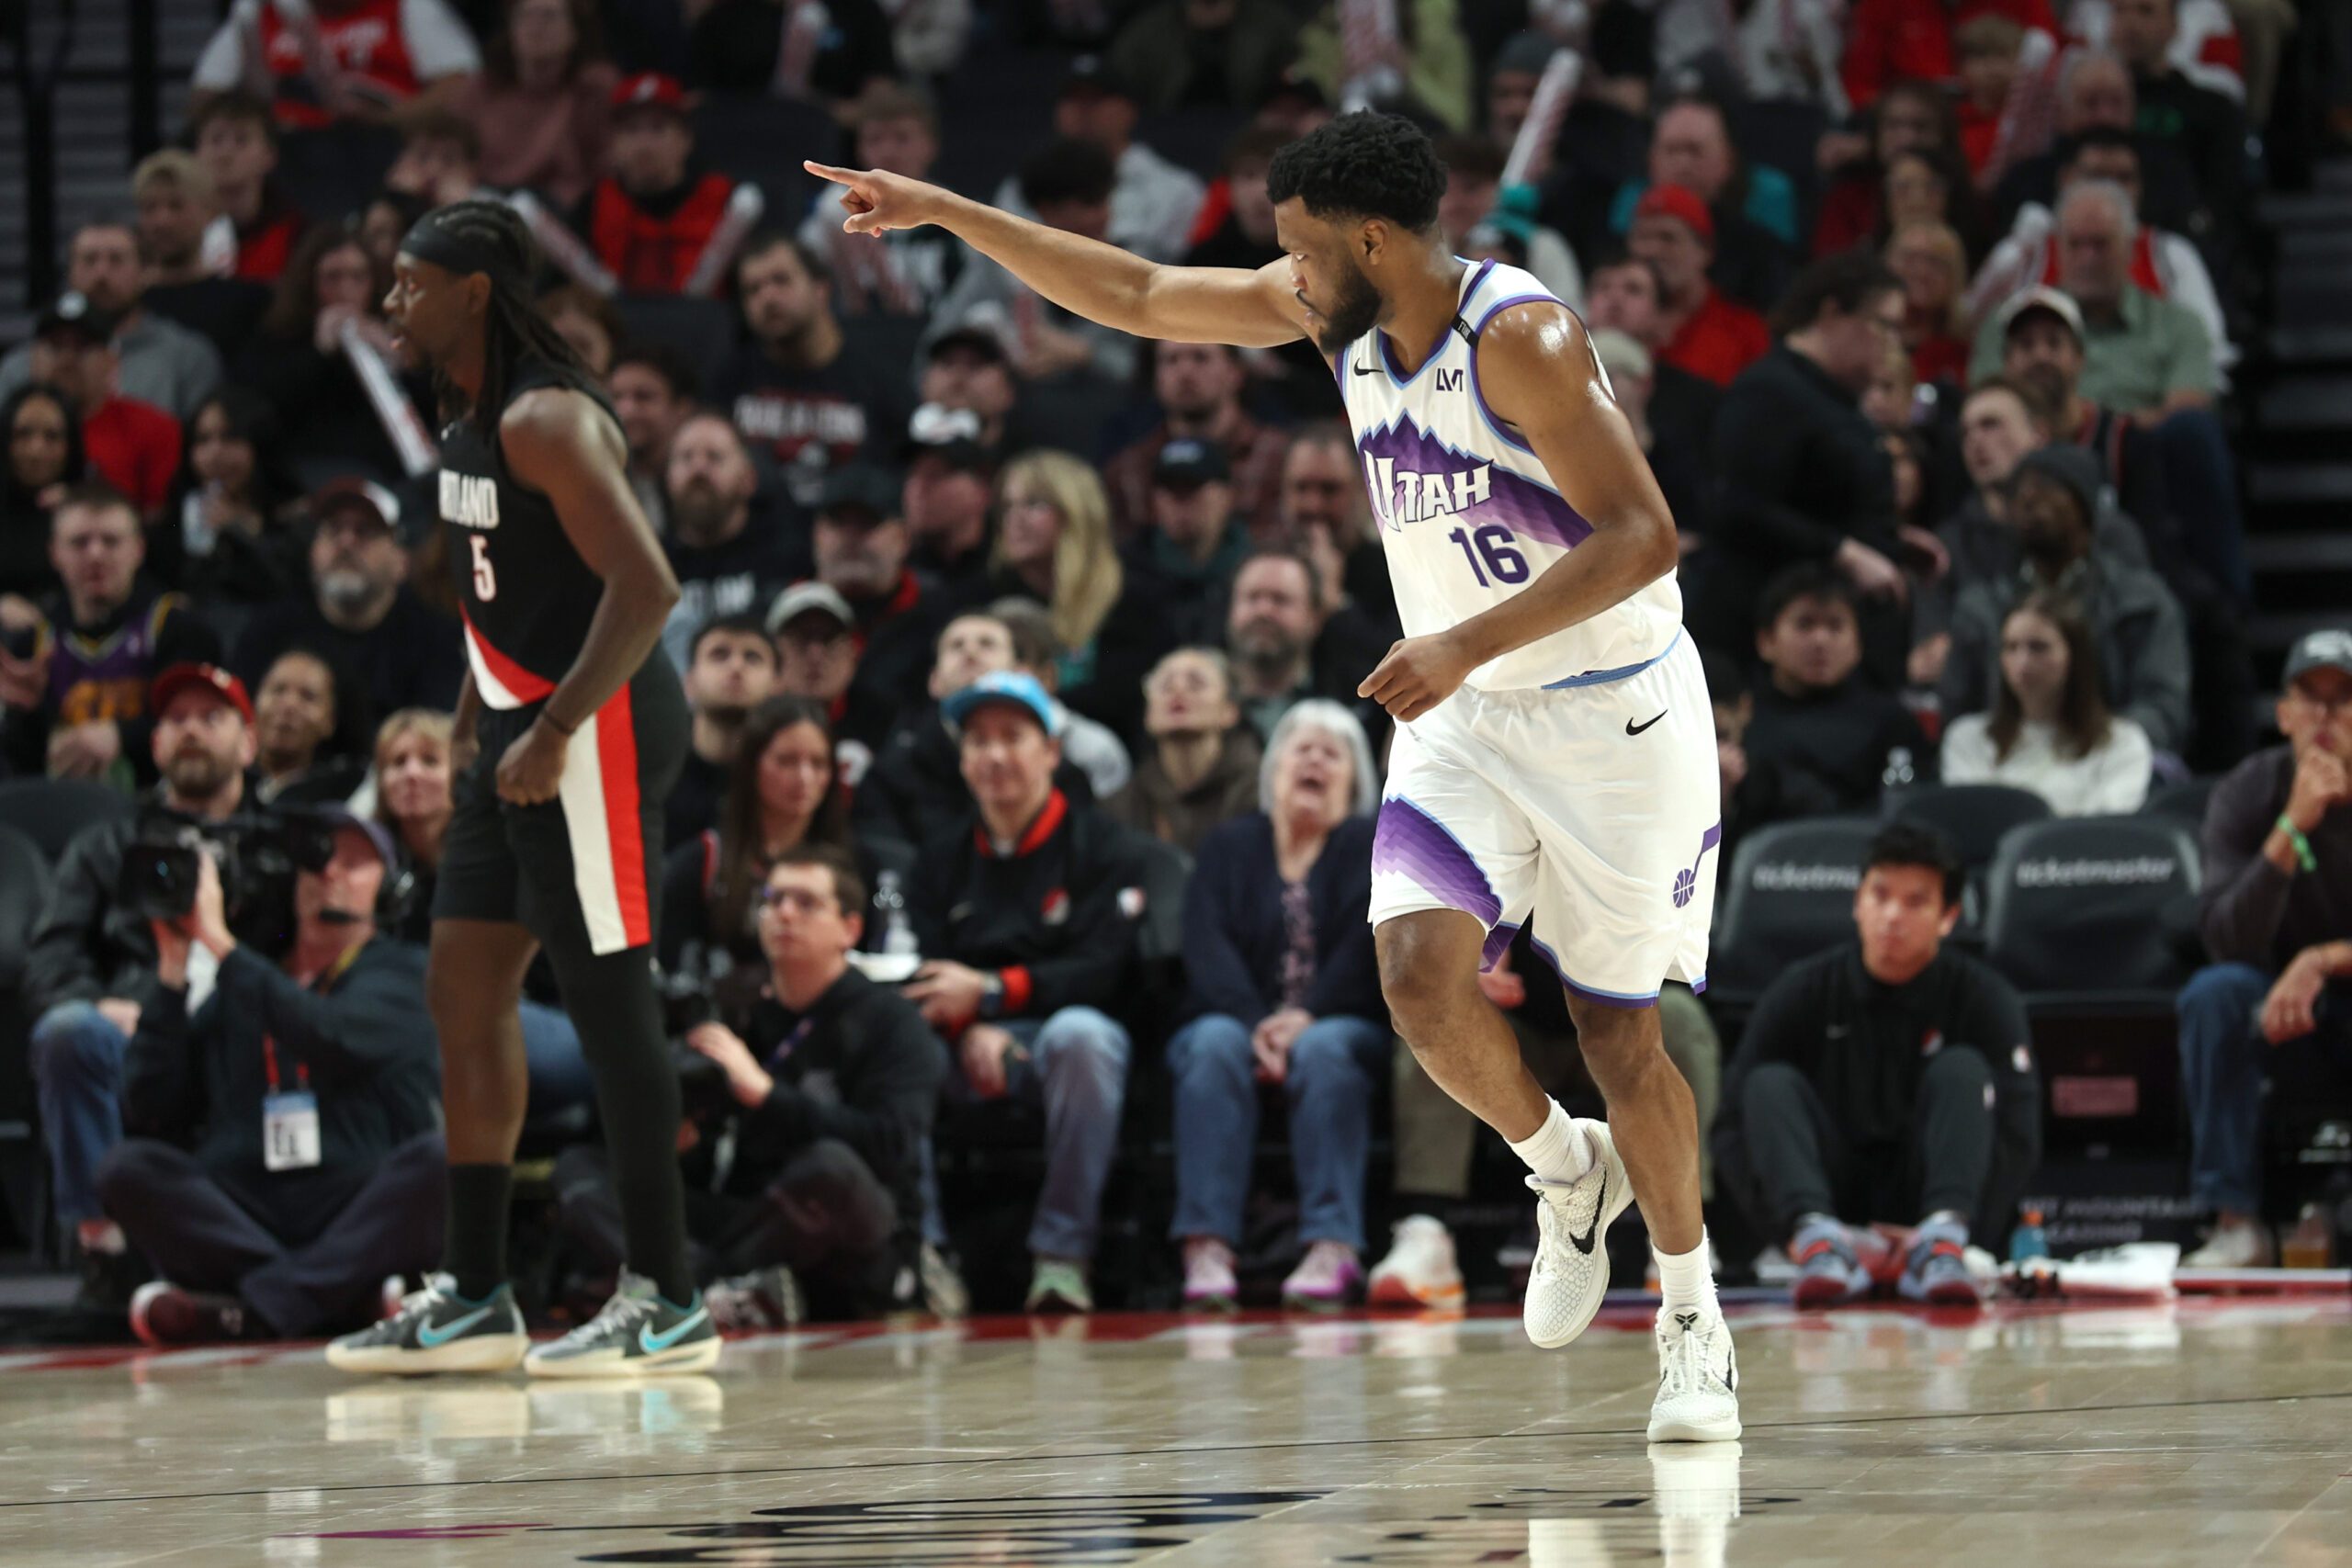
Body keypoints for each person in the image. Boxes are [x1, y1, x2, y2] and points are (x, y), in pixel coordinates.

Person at [807, 107, 1741, 1442]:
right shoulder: (1340, 319)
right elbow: (1134, 292)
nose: (1285, 273)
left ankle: (1694, 1311)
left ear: (1373, 238)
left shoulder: (1517, 338)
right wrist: (951, 210)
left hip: (1609, 717)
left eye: (1301, 250)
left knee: (1617, 1035)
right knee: (1419, 975)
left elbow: (1646, 533)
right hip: (1467, 709)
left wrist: (1462, 639)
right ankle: (1561, 1168)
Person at [325, 198, 714, 1376]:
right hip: (514, 722)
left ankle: (666, 1294)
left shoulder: (546, 418)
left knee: (608, 1007)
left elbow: (647, 590)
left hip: (589, 728)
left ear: (476, 290)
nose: (392, 303)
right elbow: (498, 586)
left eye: (409, 283)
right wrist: (470, 710)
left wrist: (550, 727)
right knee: (461, 985)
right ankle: (478, 1291)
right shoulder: (463, 406)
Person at [101, 808, 445, 1346]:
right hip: (247, 1205)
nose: (330, 873)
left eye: (354, 863)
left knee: (443, 1161)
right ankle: (337, 1296)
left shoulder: (403, 970)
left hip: (351, 1200)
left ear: (391, 888)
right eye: (317, 861)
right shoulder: (247, 974)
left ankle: (253, 1308)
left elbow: (330, 1035)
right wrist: (171, 974)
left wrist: (220, 943)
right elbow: (152, 1104)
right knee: (128, 1168)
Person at [570, 846, 946, 1325]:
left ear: (850, 929)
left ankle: (685, 1287)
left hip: (851, 1228)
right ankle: (703, 1284)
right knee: (583, 1167)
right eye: (774, 899)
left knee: (830, 1170)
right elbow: (721, 1156)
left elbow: (890, 1145)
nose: (784, 913)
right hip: (749, 1220)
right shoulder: (736, 1010)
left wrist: (767, 1095)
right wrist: (682, 1133)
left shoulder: (892, 1021)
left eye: (806, 903)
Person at [1716, 822, 2041, 1307]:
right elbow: (1731, 1126)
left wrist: (1971, 1229)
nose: (1893, 915)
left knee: (1964, 1070)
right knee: (1767, 1084)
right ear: (1857, 901)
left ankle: (1942, 1244)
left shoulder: (1984, 998)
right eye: (1880, 895)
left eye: (1916, 902)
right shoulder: (1803, 990)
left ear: (1948, 917)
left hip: (1932, 1192)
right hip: (1828, 1193)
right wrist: (1784, 1231)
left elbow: (2019, 1134)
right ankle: (1817, 1245)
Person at [904, 670, 1147, 1314]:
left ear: (1051, 752)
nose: (995, 755)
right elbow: (919, 971)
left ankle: (1062, 1255)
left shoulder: (1103, 847)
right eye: (979, 741)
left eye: (1013, 737)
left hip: (1064, 1044)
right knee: (899, 1053)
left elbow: (1106, 970)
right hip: (963, 1047)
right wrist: (969, 1025)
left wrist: (990, 992)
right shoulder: (938, 860)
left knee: (1080, 1036)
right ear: (961, 761)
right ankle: (921, 1257)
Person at [21, 662, 254, 1304]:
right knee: (69, 1031)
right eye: (176, 720)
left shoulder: (278, 840)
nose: (191, 732)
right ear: (153, 745)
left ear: (248, 742)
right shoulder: (105, 845)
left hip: (255, 1028)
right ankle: (107, 1255)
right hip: (138, 1026)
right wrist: (100, 1004)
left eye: (211, 718)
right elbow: (51, 957)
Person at [1170, 701, 1386, 1310]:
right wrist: (1254, 1024)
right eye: (1301, 748)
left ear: (1356, 779)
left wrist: (1307, 1016)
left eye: (1332, 752)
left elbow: (1370, 948)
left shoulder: (1372, 847)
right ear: (1273, 770)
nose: (1315, 759)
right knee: (1213, 1043)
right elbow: (1204, 943)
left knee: (1324, 1048)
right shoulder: (1228, 846)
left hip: (1340, 1022)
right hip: (1237, 1018)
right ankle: (1206, 1244)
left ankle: (1332, 1245)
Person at [2175, 630, 2352, 1267]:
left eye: (2345, 698)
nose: (2326, 716)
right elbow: (2226, 937)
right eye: (2312, 697)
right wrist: (2291, 826)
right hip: (2279, 1010)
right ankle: (2235, 1222)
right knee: (2214, 993)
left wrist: (2322, 959)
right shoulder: (2247, 792)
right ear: (2283, 714)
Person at [1698, 252, 1913, 687]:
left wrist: (1891, 542)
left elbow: (1814, 500)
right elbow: (1738, 506)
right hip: (1767, 649)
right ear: (1833, 312)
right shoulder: (1770, 391)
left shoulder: (1832, 397)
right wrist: (1847, 552)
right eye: (1883, 325)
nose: (1894, 343)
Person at [369, 707, 596, 1115]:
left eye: (429, 761)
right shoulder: (372, 872)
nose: (411, 774)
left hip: (544, 1019)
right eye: (396, 763)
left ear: (460, 772)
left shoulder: (501, 855)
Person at [1940, 445, 2191, 757]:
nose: (2029, 499)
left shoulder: (2140, 601)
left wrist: (2086, 745)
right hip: (2008, 767)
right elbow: (1957, 714)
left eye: (2046, 487)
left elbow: (2165, 712)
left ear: (2084, 506)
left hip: (2114, 769)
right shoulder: (1982, 607)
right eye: (2019, 492)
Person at [0, 485, 219, 784]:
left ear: (138, 549)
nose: (96, 554)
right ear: (54, 553)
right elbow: (21, 765)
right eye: (79, 542)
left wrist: (121, 736)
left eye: (111, 541)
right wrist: (20, 714)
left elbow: (203, 727)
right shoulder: (32, 644)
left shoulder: (179, 629)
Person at [232, 479, 465, 721]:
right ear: (313, 552)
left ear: (400, 560)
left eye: (364, 531)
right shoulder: (268, 633)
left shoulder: (435, 640)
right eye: (333, 529)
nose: (346, 543)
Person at [715, 233, 910, 512]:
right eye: (752, 290)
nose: (767, 297)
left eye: (781, 280)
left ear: (821, 289)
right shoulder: (730, 380)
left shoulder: (877, 381)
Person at [986, 451, 1170, 743]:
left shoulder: (1131, 600)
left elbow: (1121, 702)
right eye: (1007, 506)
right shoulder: (989, 598)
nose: (1015, 519)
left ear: (1076, 512)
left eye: (1034, 504)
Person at [1737, 564, 1932, 828]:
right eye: (1804, 625)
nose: (1820, 640)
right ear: (1766, 642)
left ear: (1858, 644)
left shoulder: (1893, 722)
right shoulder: (1741, 718)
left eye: (1835, 626)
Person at [232, 225, 423, 486]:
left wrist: (396, 358)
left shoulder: (397, 333)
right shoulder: (279, 336)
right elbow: (265, 405)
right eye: (333, 277)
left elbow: (432, 407)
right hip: (311, 468)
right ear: (309, 282)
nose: (346, 288)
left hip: (394, 468)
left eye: (358, 277)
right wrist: (319, 354)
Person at [1940, 592, 2154, 815]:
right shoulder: (1968, 739)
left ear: (2075, 656)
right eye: (2011, 647)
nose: (2022, 664)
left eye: (2038, 647)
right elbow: (1971, 823)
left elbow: (2102, 832)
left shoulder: (2122, 741)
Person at [0, 221, 221, 424]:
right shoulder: (22, 366)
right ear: (69, 274)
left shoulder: (187, 357)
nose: (101, 273)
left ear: (146, 272)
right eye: (89, 260)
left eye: (116, 259)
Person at [991, 56, 1204, 265]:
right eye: (1073, 99)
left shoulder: (1178, 189)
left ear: (1129, 110)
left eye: (1096, 99)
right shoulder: (1019, 189)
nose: (1083, 110)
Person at [794, 82, 968, 321]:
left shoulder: (961, 213)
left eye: (902, 138)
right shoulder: (835, 210)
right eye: (874, 140)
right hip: (861, 341)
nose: (888, 152)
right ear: (859, 149)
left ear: (931, 145)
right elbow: (802, 281)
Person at [150, 387, 307, 642]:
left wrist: (240, 531)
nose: (214, 454)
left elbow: (287, 589)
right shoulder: (177, 516)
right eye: (202, 440)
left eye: (230, 437)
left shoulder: (294, 515)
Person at [655, 413, 809, 671]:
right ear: (668, 477)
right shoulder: (649, 564)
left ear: (748, 479)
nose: (698, 469)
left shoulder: (786, 556)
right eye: (685, 458)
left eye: (714, 457)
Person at [573, 73, 743, 298]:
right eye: (631, 130)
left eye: (658, 128)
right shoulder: (593, 205)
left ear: (686, 139)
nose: (644, 145)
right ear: (613, 142)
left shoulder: (728, 201)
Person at [1102, 341, 1290, 542]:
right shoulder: (1129, 470)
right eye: (1171, 360)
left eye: (1200, 357)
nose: (1185, 372)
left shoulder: (1281, 460)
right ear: (1156, 377)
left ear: (1236, 372)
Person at [191, 0, 481, 130]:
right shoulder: (263, 12)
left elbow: (461, 84)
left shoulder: (406, 5)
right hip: (285, 153)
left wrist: (390, 121)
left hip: (380, 141)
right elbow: (204, 97)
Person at [802, 462, 941, 730]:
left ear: (903, 537)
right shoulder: (774, 614)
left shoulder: (936, 620)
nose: (851, 538)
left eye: (868, 523)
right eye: (838, 523)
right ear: (817, 534)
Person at [23, 291, 183, 518]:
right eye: (55, 346)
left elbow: (162, 524)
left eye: (83, 347)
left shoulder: (155, 429)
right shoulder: (10, 429)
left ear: (111, 360)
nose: (67, 360)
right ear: (32, 358)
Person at [455, 0, 616, 206]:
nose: (536, 26)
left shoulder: (593, 89)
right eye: (526, 16)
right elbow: (454, 152)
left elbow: (605, 166)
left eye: (549, 16)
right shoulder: (482, 88)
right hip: (484, 199)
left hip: (564, 210)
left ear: (575, 30)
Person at [1106, 647, 1262, 855]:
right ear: (1147, 714)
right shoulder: (1121, 806)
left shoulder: (1260, 792)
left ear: (1230, 711)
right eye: (1164, 685)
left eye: (1196, 684)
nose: (1178, 690)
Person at [130, 151, 275, 358]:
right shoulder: (129, 305)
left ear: (210, 212)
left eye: (176, 206)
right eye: (149, 208)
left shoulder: (249, 303)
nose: (162, 221)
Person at [1628, 186, 1769, 389]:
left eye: (1668, 238)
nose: (1652, 250)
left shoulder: (1744, 333)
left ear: (1705, 251)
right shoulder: (1609, 317)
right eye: (1643, 237)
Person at [1124, 437, 1250, 649]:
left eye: (1192, 489)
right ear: (1155, 499)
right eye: (1170, 490)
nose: (1180, 502)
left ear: (1227, 496)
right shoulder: (1125, 574)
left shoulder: (1252, 571)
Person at [669, 613, 779, 848]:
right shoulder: (657, 771)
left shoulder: (788, 775)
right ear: (689, 682)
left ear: (777, 687)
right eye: (719, 654)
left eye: (753, 657)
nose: (736, 666)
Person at [188, 91, 306, 285]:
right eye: (215, 140)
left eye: (241, 140)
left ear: (269, 156)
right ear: (197, 154)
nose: (225, 154)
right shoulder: (178, 230)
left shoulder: (296, 234)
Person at [252, 646, 370, 805]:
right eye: (278, 690)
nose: (289, 705)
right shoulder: (223, 783)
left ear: (330, 721)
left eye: (308, 696)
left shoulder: (350, 796)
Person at [0, 383, 82, 604]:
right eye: (23, 434)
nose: (36, 450)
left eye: (52, 436)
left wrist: (78, 510)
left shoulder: (92, 504)